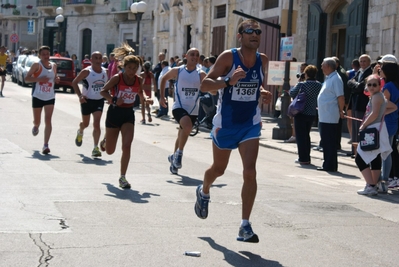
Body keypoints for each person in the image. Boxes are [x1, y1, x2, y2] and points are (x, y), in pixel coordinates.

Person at [194, 19, 272, 243]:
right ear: (240, 36)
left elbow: (255, 86)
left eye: (258, 31)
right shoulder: (228, 57)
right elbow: (205, 85)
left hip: (250, 123)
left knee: (250, 172)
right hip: (226, 124)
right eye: (249, 31)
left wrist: (262, 93)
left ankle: (244, 226)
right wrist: (228, 81)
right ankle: (204, 189)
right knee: (218, 170)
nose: (254, 34)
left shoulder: (262, 60)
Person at [99, 43, 144, 189]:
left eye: (134, 68)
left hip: (128, 114)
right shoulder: (117, 78)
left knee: (127, 146)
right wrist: (112, 99)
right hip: (114, 112)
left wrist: (147, 100)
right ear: (124, 67)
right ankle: (105, 141)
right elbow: (103, 91)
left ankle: (123, 177)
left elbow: (140, 94)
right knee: (110, 151)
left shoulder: (139, 80)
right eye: (129, 68)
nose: (132, 71)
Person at [159, 48, 206, 174]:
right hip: (179, 106)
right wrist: (162, 97)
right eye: (192, 54)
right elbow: (163, 79)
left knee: (182, 133)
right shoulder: (178, 71)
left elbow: (211, 86)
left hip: (193, 109)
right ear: (186, 56)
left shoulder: (201, 74)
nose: (194, 57)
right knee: (187, 126)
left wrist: (214, 89)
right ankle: (179, 155)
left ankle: (173, 159)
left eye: (197, 55)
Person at [356, 74, 397, 195]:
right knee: (374, 157)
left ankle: (371, 185)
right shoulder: (379, 97)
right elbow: (393, 107)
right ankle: (373, 185)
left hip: (372, 129)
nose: (372, 87)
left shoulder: (377, 97)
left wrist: (363, 126)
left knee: (360, 158)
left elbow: (373, 114)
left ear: (380, 85)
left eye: (374, 84)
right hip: (377, 129)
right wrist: (382, 113)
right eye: (369, 84)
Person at [24, 46, 60, 154]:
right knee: (37, 121)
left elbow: (55, 77)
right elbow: (27, 78)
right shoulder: (37, 65)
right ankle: (35, 126)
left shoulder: (53, 65)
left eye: (47, 54)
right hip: (38, 95)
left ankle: (45, 145)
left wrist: (57, 79)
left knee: (48, 120)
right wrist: (39, 79)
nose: (46, 56)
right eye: (43, 54)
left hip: (50, 96)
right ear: (39, 55)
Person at [72, 51, 108, 157]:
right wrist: (80, 96)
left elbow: (108, 85)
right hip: (86, 100)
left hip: (99, 100)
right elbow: (74, 82)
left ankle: (95, 147)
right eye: (95, 58)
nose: (98, 60)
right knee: (86, 123)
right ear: (91, 60)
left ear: (102, 60)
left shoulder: (106, 72)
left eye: (99, 58)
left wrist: (109, 96)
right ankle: (80, 130)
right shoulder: (86, 72)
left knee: (96, 124)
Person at [289, 65, 322, 165]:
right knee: (306, 135)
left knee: (300, 136)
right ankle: (307, 156)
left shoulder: (302, 84)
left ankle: (303, 158)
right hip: (312, 113)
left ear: (306, 74)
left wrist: (299, 82)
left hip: (301, 112)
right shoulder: (319, 85)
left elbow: (292, 93)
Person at [317, 57, 345, 172]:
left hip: (330, 116)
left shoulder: (336, 79)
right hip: (324, 115)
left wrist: (341, 110)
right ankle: (328, 163)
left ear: (328, 66)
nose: (321, 67)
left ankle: (330, 165)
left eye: (323, 65)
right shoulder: (329, 78)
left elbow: (340, 97)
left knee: (329, 142)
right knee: (326, 141)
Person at [377, 56, 399, 193]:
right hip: (394, 121)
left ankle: (385, 178)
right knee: (388, 151)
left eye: (382, 70)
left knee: (384, 152)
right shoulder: (396, 85)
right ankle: (387, 178)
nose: (380, 71)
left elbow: (383, 105)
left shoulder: (388, 86)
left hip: (386, 121)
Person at [347, 54, 372, 157]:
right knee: (354, 127)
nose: (362, 63)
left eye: (364, 61)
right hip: (355, 103)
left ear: (369, 62)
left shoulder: (369, 72)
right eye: (361, 61)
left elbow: (361, 87)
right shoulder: (359, 72)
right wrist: (356, 85)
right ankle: (354, 151)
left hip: (362, 104)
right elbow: (349, 82)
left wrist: (356, 85)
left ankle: (360, 153)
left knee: (360, 127)